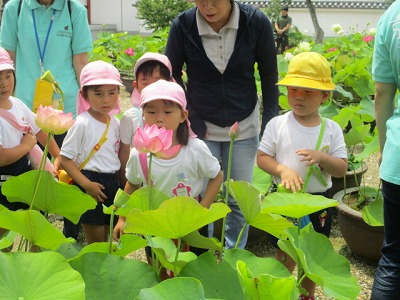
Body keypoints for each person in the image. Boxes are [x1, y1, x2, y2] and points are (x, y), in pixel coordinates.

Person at [165, 0, 279, 249]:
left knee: (238, 199)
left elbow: (270, 76)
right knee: (200, 197)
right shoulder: (183, 26)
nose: (207, 5)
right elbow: (171, 74)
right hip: (201, 126)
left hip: (244, 125)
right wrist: (189, 115)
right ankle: (200, 255)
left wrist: (270, 123)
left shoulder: (255, 22)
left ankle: (233, 254)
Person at [257, 52, 347, 299]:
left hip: (318, 203)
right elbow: (262, 158)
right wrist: (283, 170)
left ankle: (307, 296)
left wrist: (322, 158)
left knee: (310, 261)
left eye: (308, 91)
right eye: (294, 89)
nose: (299, 96)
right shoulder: (277, 124)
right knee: (283, 255)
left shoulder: (332, 129)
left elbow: (341, 168)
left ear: (325, 96)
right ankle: (280, 294)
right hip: (285, 199)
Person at [1, 0, 92, 240]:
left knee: (68, 171)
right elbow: (6, 58)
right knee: (36, 176)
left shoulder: (75, 10)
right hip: (26, 111)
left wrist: (91, 105)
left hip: (66, 109)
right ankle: (36, 236)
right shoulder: (15, 8)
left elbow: (81, 62)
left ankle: (72, 236)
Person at [113, 79, 223, 256]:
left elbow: (217, 176)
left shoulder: (195, 149)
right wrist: (122, 218)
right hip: (155, 222)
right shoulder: (139, 155)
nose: (159, 118)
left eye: (167, 111)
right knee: (159, 272)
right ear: (143, 116)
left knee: (193, 272)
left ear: (183, 116)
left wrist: (202, 212)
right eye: (151, 112)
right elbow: (132, 185)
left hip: (191, 222)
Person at [0, 47, 61, 251]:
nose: (3, 83)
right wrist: (26, 145)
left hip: (23, 169)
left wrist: (58, 155)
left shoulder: (16, 103)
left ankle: (33, 263)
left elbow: (41, 130)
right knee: (4, 229)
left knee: (35, 224)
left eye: (8, 75)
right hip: (3, 176)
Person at [60, 61, 122, 244]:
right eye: (98, 94)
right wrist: (87, 185)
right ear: (84, 94)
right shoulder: (82, 123)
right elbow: (65, 158)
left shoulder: (115, 122)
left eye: (112, 93)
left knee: (108, 238)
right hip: (90, 180)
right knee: (96, 241)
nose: (106, 100)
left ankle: (105, 272)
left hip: (113, 181)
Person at [371, 1, 400, 298]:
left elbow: (382, 93)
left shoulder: (392, 15)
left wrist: (385, 150)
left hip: (398, 157)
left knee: (394, 258)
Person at [119, 52, 173, 187]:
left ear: (170, 82)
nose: (152, 87)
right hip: (140, 185)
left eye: (158, 81)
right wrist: (125, 183)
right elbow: (125, 152)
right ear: (136, 86)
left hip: (169, 182)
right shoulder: (130, 117)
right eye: (145, 82)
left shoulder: (175, 115)